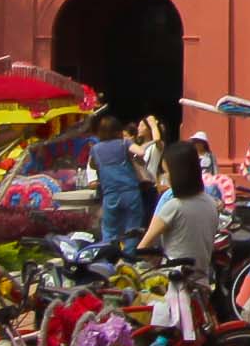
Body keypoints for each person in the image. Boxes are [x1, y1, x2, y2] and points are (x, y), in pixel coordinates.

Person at [135, 140, 221, 282]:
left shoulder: (173, 207)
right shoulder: (211, 203)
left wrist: (154, 258)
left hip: (174, 284)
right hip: (202, 282)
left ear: (178, 173)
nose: (165, 177)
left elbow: (142, 248)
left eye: (166, 171)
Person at [88, 111, 145, 254]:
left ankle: (109, 258)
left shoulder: (96, 149)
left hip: (110, 194)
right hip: (130, 192)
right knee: (132, 228)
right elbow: (141, 152)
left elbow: (93, 165)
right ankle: (129, 258)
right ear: (118, 130)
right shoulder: (124, 143)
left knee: (109, 230)